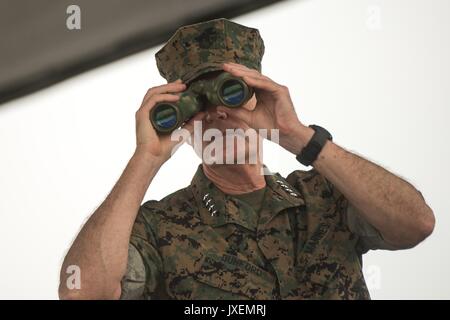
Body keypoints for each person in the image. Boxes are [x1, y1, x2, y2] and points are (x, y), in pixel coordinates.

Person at [59, 18, 435, 300]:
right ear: (182, 124)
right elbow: (82, 292)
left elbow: (416, 224)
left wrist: (298, 135)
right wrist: (147, 157)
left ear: (260, 96)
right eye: (197, 105)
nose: (217, 114)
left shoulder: (325, 196)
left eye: (231, 94)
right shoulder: (160, 228)